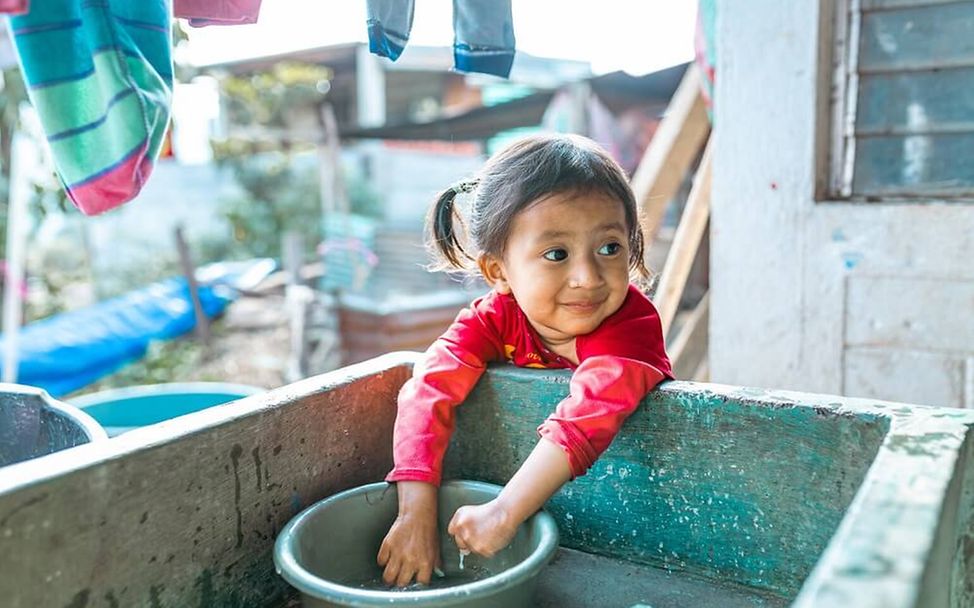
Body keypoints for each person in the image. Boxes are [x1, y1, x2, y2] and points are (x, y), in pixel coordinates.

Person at [376, 133, 673, 587]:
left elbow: (585, 421)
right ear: (499, 271)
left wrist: (503, 511)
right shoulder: (493, 319)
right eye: (557, 254)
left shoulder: (630, 326)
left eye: (609, 248)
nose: (587, 277)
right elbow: (427, 389)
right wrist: (415, 512)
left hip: (646, 526)